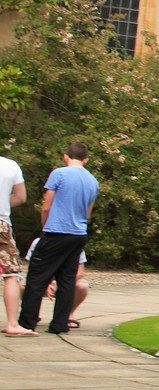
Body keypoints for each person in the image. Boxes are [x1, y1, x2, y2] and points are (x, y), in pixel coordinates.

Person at [18, 141, 99, 337]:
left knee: (37, 277)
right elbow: (88, 212)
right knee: (67, 279)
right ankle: (60, 324)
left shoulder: (59, 174)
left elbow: (47, 206)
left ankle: (27, 322)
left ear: (66, 156)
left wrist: (46, 227)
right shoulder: (93, 181)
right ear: (85, 159)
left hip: (56, 231)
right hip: (78, 234)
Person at [0, 150, 25, 336]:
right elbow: (20, 197)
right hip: (1, 224)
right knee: (11, 273)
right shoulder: (10, 165)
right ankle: (12, 324)